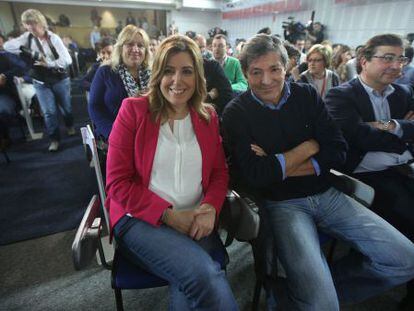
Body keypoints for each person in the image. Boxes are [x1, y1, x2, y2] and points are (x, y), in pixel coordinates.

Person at [221, 34, 414, 311]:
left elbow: (337, 150)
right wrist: (309, 147)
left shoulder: (306, 95)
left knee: (406, 259)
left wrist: (278, 163)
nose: (266, 80)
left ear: (286, 67)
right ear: (245, 72)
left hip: (328, 194)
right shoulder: (236, 112)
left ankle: (293, 296)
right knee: (322, 304)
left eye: (274, 69)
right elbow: (255, 176)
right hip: (282, 205)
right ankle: (313, 295)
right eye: (256, 72)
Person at [105, 34, 238, 310]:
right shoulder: (133, 111)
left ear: (198, 77)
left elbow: (219, 173)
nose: (177, 81)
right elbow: (117, 183)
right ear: (158, 75)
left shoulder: (208, 116)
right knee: (204, 275)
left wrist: (210, 208)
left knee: (192, 284)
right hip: (141, 220)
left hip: (195, 217)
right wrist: (168, 215)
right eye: (168, 71)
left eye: (186, 71)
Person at [325, 33, 414, 311]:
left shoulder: (403, 93)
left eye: (400, 59)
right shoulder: (341, 95)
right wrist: (401, 129)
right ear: (364, 61)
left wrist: (385, 125)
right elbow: (356, 136)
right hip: (366, 178)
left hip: (405, 169)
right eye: (387, 58)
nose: (396, 66)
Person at [4, 9, 74, 152]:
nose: (30, 27)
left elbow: (67, 60)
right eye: (27, 24)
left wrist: (49, 63)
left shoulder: (53, 38)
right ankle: (54, 139)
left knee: (66, 108)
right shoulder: (27, 38)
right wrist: (28, 51)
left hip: (59, 79)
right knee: (48, 112)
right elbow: (7, 46)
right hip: (40, 81)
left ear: (41, 23)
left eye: (33, 24)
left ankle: (70, 125)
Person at [88, 25, 151, 142]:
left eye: (140, 45)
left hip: (148, 133)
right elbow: (95, 107)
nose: (135, 49)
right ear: (121, 48)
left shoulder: (154, 74)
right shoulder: (106, 71)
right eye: (130, 44)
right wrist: (113, 133)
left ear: (146, 51)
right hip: (116, 134)